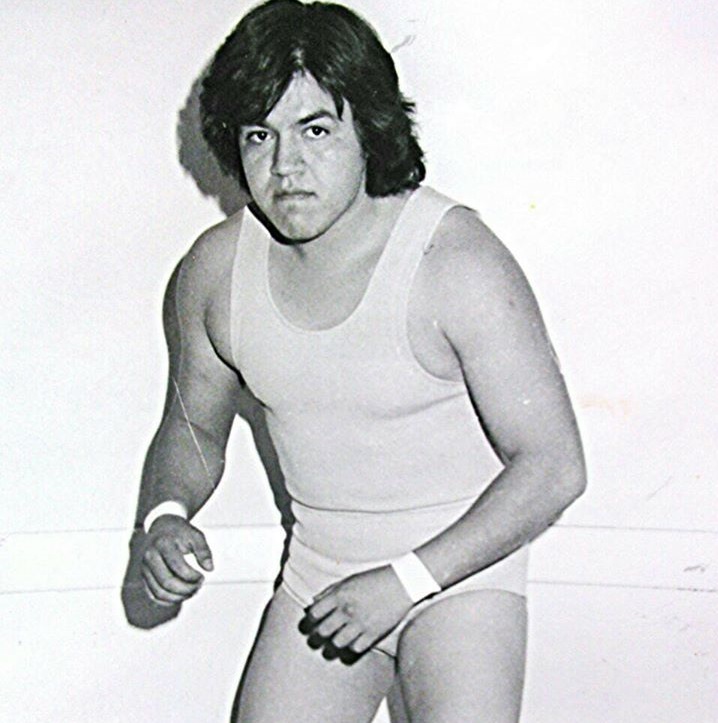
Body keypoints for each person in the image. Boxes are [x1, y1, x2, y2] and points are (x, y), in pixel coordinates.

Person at [132, 1, 586, 720]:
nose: (286, 166)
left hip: (460, 577)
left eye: (315, 129)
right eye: (260, 136)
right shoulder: (215, 272)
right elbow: (193, 429)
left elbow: (555, 466)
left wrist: (406, 581)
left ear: (368, 129)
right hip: (321, 577)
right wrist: (165, 513)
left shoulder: (454, 258)